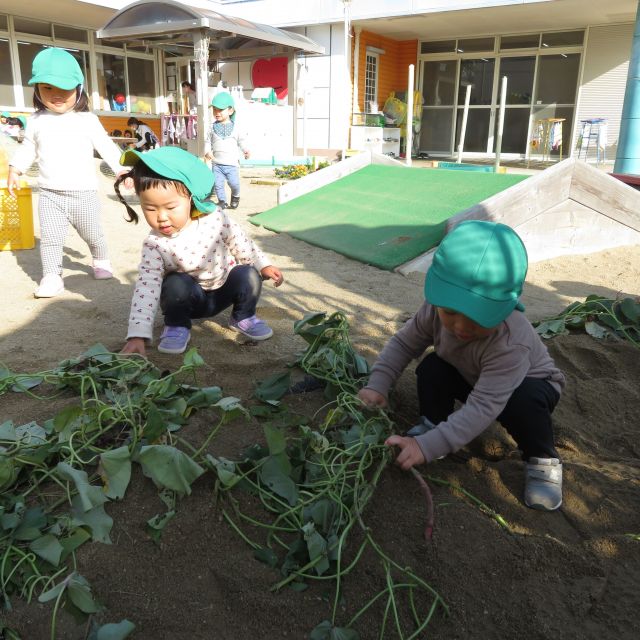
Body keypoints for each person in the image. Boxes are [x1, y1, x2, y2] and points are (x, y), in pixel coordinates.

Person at [357, 220, 566, 511]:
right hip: (472, 375)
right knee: (432, 367)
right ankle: (433, 424)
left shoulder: (510, 341)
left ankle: (542, 460)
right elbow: (404, 344)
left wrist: (425, 448)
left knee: (523, 401)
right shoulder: (433, 310)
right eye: (451, 311)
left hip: (527, 386)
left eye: (480, 316)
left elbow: (483, 407)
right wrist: (377, 385)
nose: (461, 326)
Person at [113, 146, 284, 356]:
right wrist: (137, 335)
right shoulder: (155, 244)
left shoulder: (215, 218)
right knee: (175, 283)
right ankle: (177, 326)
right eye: (150, 208)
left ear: (191, 198)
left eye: (170, 207)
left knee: (248, 274)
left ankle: (243, 316)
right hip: (189, 300)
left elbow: (242, 243)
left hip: (223, 290)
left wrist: (263, 264)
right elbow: (147, 287)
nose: (161, 217)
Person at [7, 48, 126, 298]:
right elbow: (28, 147)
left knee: (93, 234)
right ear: (37, 89)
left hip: (83, 194)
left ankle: (101, 259)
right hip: (50, 193)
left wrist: (121, 170)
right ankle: (52, 276)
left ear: (79, 88)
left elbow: (105, 146)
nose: (57, 95)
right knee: (51, 239)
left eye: (64, 88)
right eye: (47, 88)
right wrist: (15, 168)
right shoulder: (37, 120)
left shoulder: (87, 120)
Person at [204, 92, 249, 209]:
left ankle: (235, 195)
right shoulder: (212, 127)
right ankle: (222, 201)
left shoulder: (236, 128)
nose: (216, 113)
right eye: (214, 110)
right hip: (217, 164)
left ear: (230, 111)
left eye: (220, 110)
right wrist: (207, 151)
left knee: (234, 183)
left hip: (232, 164)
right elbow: (208, 141)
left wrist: (245, 150)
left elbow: (241, 141)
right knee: (218, 184)